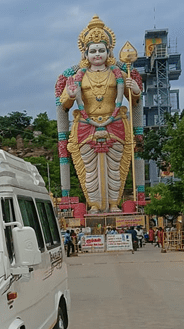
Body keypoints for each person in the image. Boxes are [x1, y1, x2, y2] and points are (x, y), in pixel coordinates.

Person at [56, 16, 142, 213]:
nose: (97, 55)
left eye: (101, 50)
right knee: (89, 169)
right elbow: (64, 104)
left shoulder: (119, 74)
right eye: (93, 51)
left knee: (115, 167)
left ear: (108, 51)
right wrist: (70, 95)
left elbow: (134, 100)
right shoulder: (78, 77)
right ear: (85, 53)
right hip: (86, 126)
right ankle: (94, 204)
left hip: (116, 123)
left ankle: (114, 203)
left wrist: (135, 90)